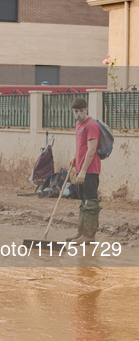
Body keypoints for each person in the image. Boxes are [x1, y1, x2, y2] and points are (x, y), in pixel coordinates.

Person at [66, 97, 102, 243]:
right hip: (80, 168)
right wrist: (75, 157)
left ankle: (89, 236)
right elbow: (81, 145)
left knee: (91, 200)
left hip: (90, 170)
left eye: (81, 111)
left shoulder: (91, 125)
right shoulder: (78, 124)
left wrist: (83, 171)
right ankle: (80, 233)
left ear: (86, 109)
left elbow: (92, 150)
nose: (79, 114)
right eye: (76, 111)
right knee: (83, 201)